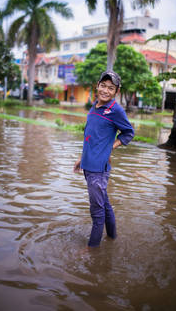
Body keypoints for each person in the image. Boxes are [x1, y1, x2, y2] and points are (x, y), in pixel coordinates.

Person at [74, 70, 134, 247]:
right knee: (105, 206)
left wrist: (111, 147)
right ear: (97, 86)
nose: (106, 90)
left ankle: (92, 251)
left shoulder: (115, 110)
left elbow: (129, 133)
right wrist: (81, 158)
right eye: (103, 86)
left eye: (111, 88)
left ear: (117, 92)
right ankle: (112, 239)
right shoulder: (95, 106)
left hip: (98, 170)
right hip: (89, 165)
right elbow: (91, 135)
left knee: (97, 213)